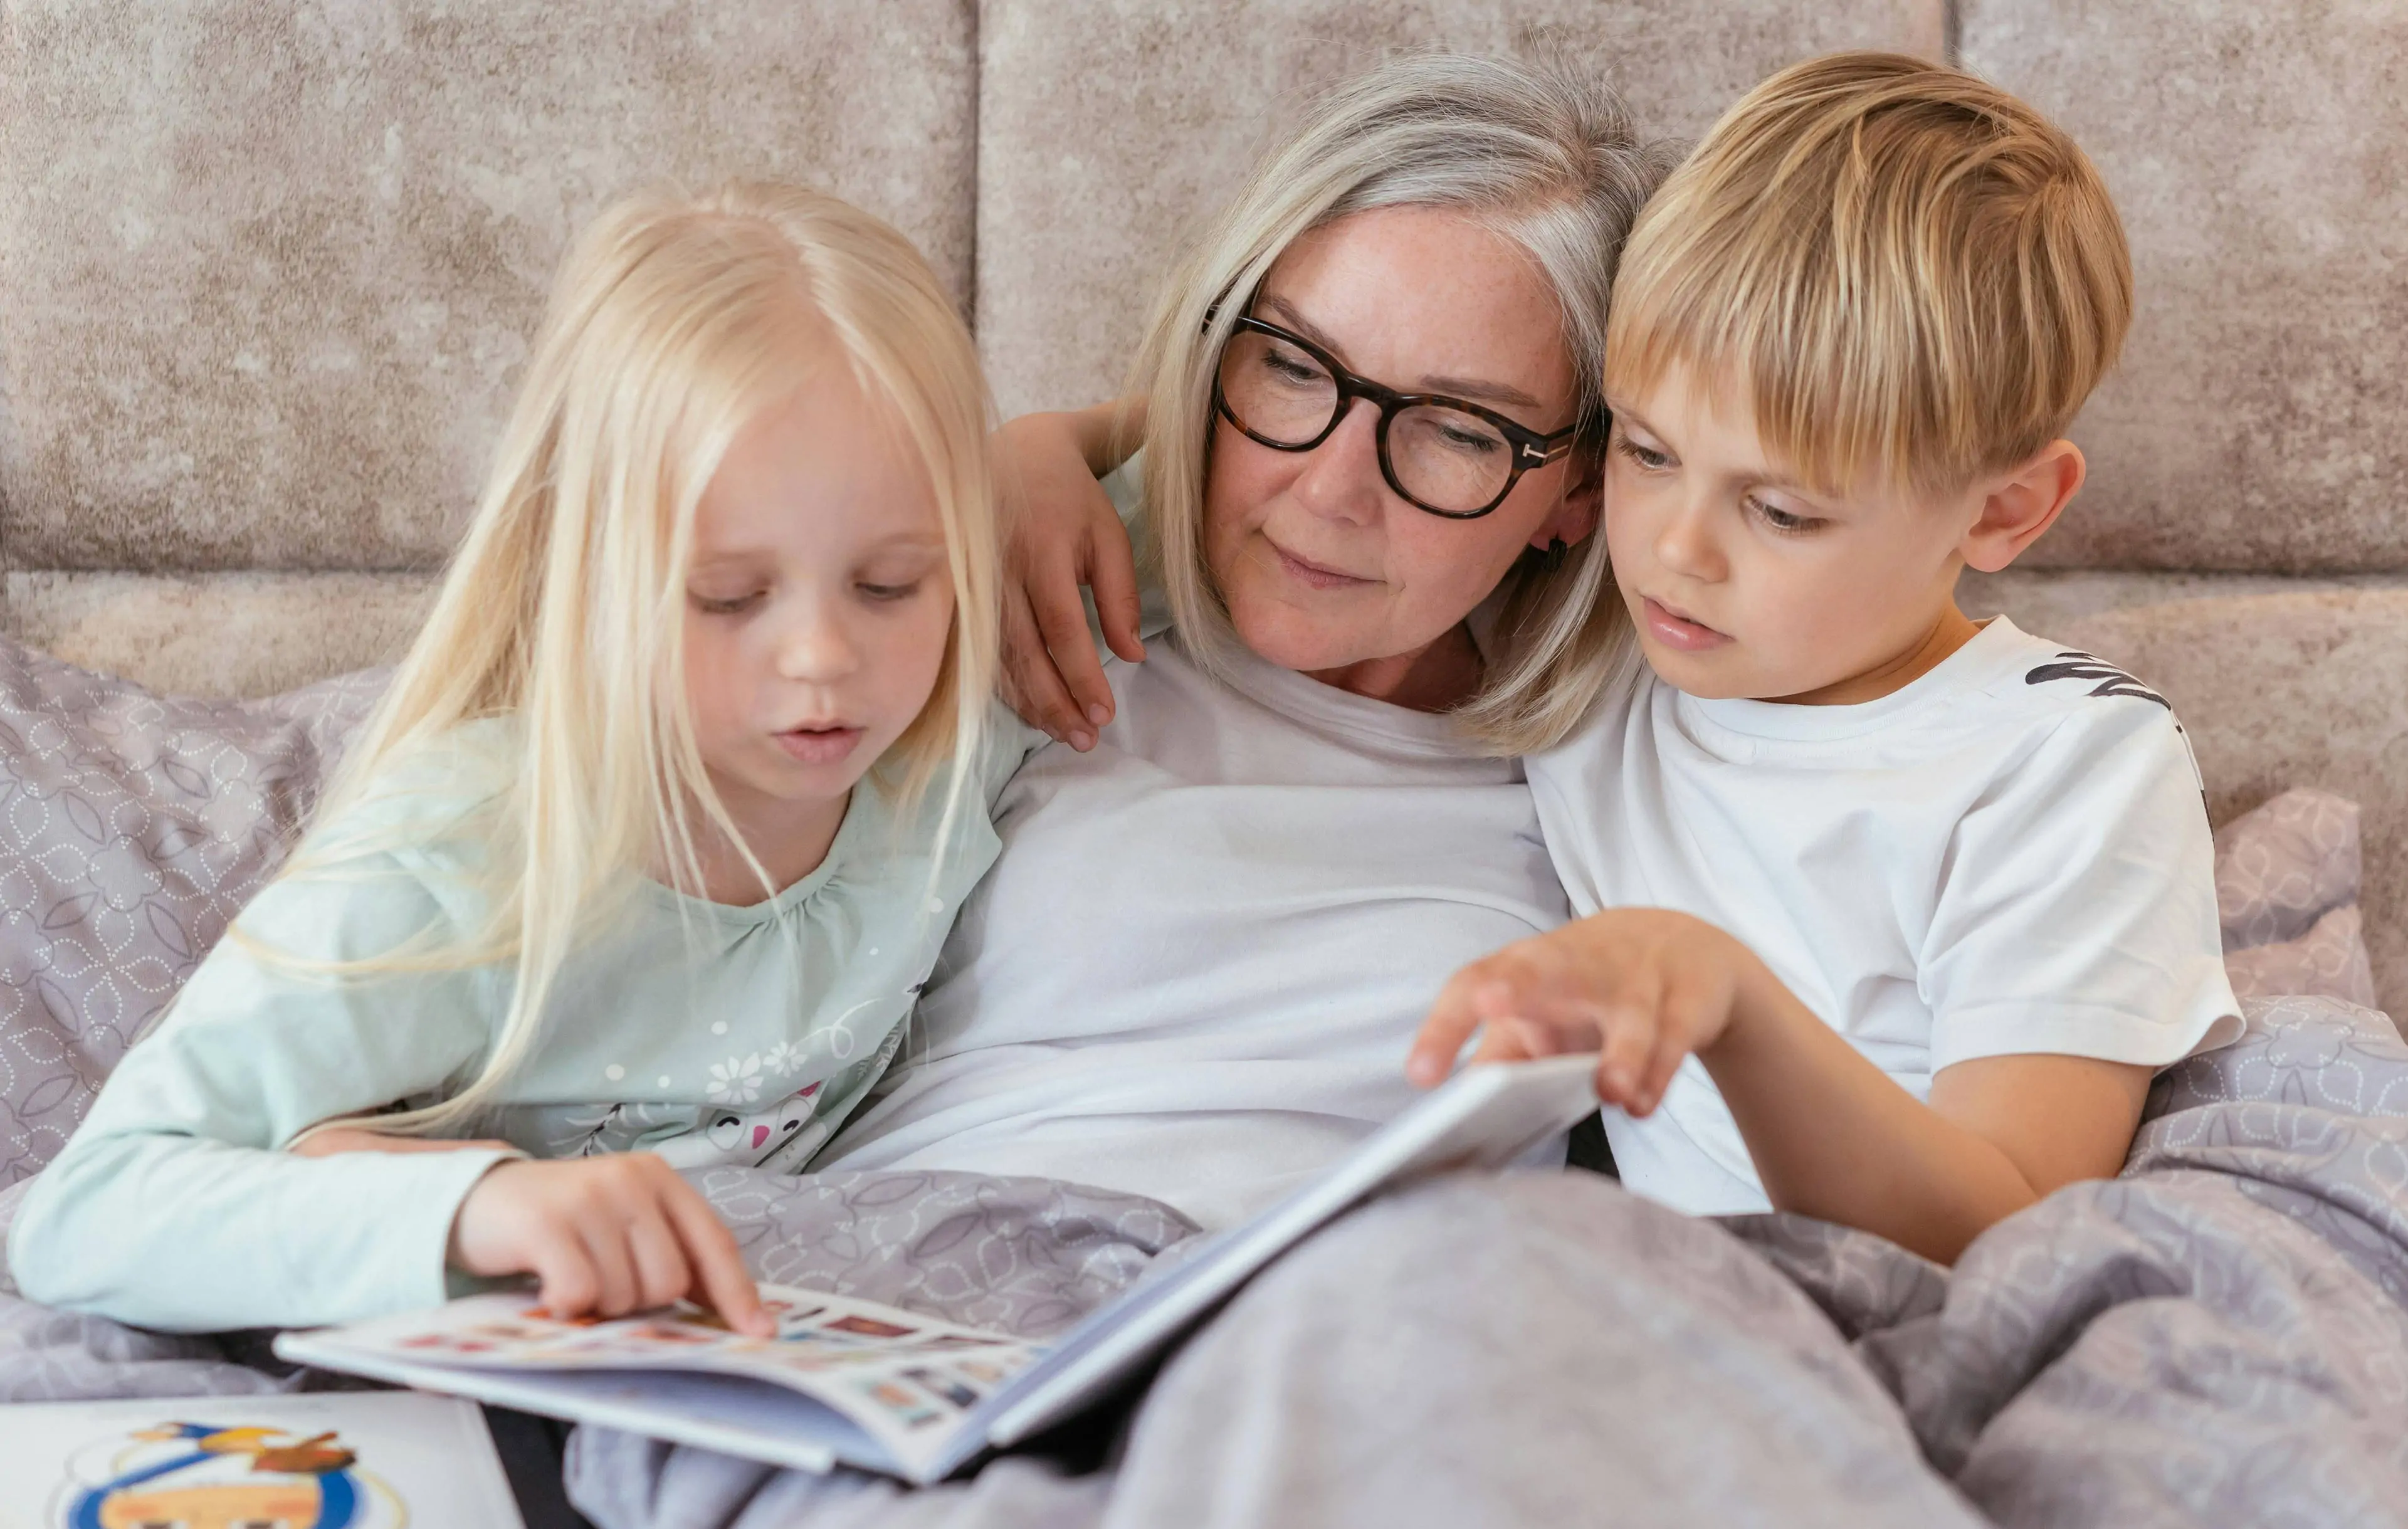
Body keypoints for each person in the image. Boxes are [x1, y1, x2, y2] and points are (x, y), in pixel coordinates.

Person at [9, 182, 1019, 1334]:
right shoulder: (465, 855)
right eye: (727, 597)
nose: (825, 658)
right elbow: (80, 1211)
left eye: (891, 582)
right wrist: (471, 1210)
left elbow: (1205, 487)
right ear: (585, 573)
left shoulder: (950, 734)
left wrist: (1057, 453)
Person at [1407, 53, 2244, 1263]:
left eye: (1782, 512)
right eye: (1645, 450)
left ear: (2002, 514)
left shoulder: (2067, 764)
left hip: (1869, 1330)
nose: (1674, 550)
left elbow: (2011, 1231)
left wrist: (1728, 1001)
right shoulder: (1601, 633)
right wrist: (1067, 456)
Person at [824, 51, 1673, 1229]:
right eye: (1289, 365)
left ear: (1578, 491)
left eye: (1458, 430)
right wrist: (1029, 451)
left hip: (1359, 1336)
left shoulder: (1637, 760)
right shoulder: (1045, 611)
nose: (1331, 491)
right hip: (917, 1280)